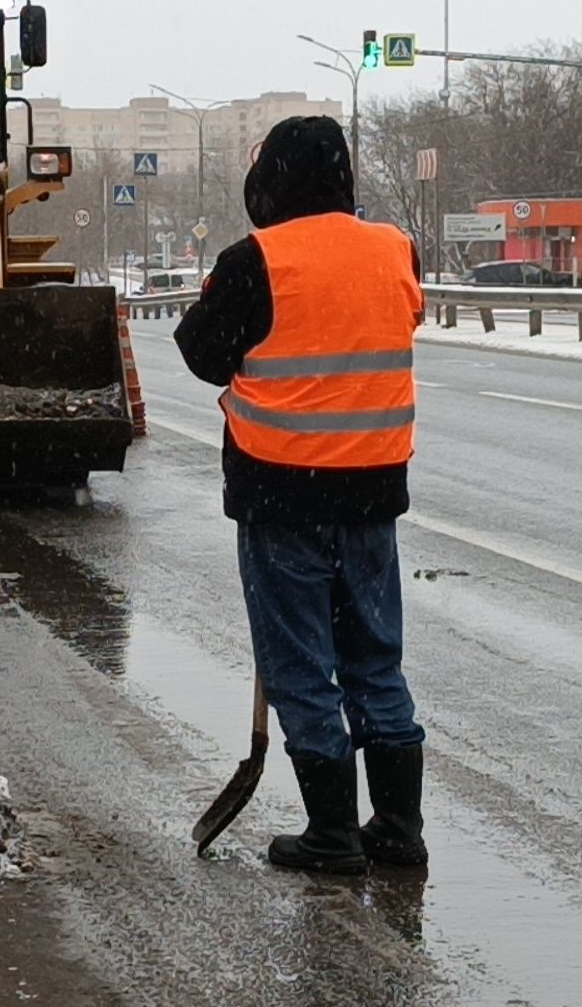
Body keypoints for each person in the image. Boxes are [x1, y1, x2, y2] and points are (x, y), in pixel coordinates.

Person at [175, 116, 426, 876]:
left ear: (271, 179)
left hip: (282, 497)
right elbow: (398, 321)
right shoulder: (395, 250)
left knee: (301, 668)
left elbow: (201, 354)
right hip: (373, 497)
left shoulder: (256, 260)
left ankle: (332, 833)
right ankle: (398, 829)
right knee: (375, 663)